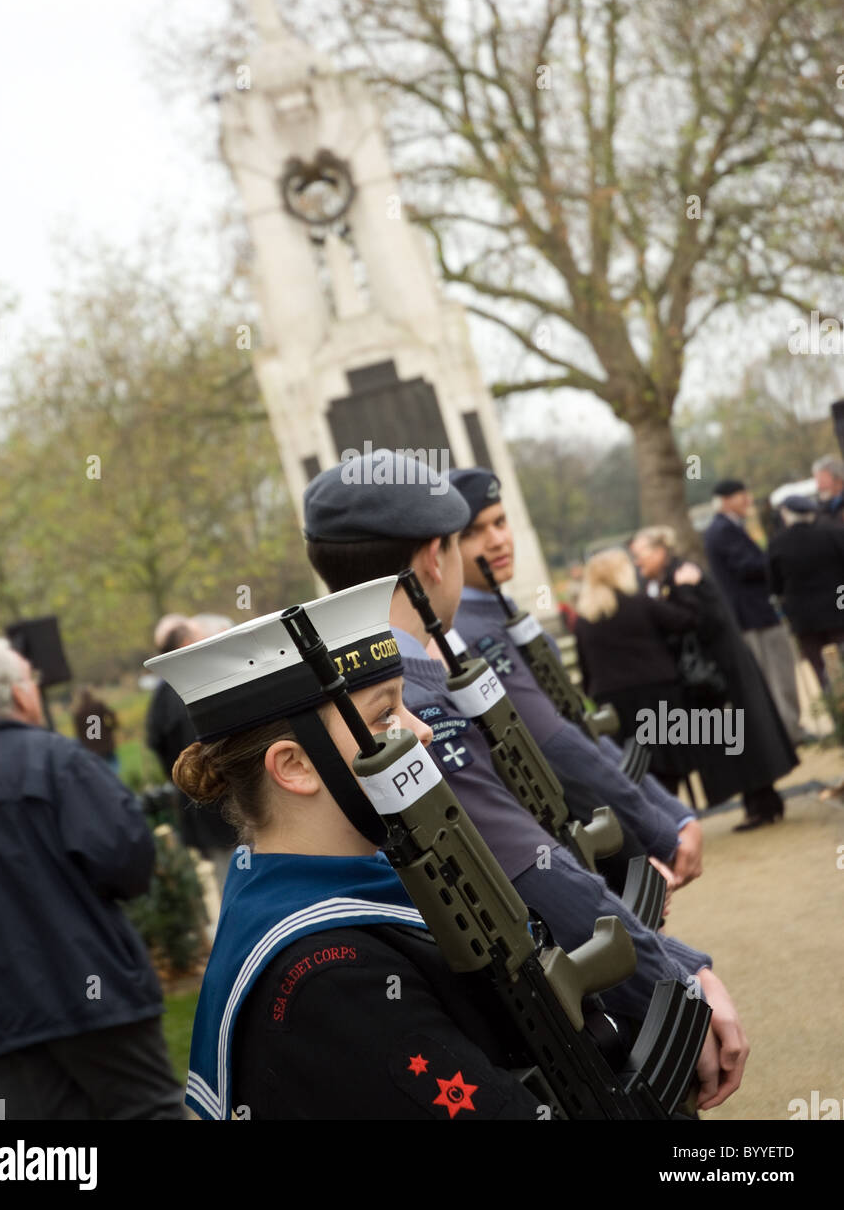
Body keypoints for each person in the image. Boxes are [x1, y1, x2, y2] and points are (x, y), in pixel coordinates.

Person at [149, 576, 746, 1120]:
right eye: (386, 717)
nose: (423, 729)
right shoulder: (327, 973)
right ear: (296, 766)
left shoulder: (348, 887)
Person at [302, 451, 748, 1081]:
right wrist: (675, 983)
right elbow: (520, 863)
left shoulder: (358, 699)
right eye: (464, 539)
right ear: (436, 555)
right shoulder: (408, 704)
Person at [0, 637, 185, 1119]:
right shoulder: (59, 762)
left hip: (5, 1016)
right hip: (97, 995)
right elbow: (126, 860)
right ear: (20, 695)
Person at [447, 466, 704, 890]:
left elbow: (578, 730)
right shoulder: (469, 631)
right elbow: (558, 743)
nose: (497, 539)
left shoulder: (500, 609)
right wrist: (661, 828)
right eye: (474, 532)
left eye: (500, 521)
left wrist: (673, 815)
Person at [631, 526, 799, 830]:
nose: (637, 561)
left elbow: (706, 621)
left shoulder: (683, 575)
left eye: (640, 554)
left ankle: (763, 803)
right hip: (712, 673)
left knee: (742, 737)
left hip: (721, 671)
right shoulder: (666, 580)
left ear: (659, 551)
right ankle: (759, 802)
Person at [572, 548, 703, 795]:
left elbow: (585, 668)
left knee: (634, 771)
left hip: (612, 702)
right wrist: (685, 589)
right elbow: (686, 620)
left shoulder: (583, 620)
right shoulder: (639, 603)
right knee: (666, 766)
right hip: (656, 694)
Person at [703, 479, 804, 745]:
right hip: (754, 615)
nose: (748, 499)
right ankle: (789, 730)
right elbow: (746, 567)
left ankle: (787, 729)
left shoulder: (728, 528)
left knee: (777, 674)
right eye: (741, 495)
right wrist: (773, 560)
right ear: (725, 500)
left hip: (752, 613)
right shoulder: (723, 530)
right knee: (778, 674)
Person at [146, 614, 238, 891]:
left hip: (198, 803)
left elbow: (156, 744)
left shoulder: (160, 697)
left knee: (228, 880)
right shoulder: (200, 685)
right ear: (186, 642)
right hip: (229, 801)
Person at [768, 495, 844, 688]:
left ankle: (836, 709)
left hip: (804, 618)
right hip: (837, 610)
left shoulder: (777, 544)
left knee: (820, 669)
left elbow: (774, 585)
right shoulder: (832, 533)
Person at [71, 685, 120, 772]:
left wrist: (84, 744)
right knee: (114, 771)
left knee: (100, 773)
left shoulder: (78, 713)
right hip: (106, 744)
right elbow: (112, 715)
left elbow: (79, 734)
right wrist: (111, 728)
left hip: (92, 749)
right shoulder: (98, 705)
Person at [812, 454, 844, 525]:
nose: (819, 486)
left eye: (822, 481)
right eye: (818, 481)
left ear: (838, 479)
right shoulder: (820, 509)